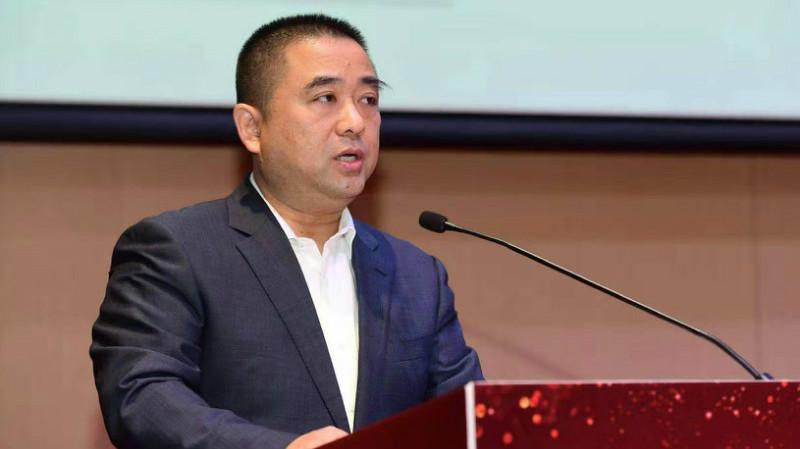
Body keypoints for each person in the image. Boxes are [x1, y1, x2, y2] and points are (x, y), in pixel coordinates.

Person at [90, 14, 482, 449]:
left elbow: (468, 422)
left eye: (369, 99)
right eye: (326, 97)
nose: (355, 121)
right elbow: (141, 397)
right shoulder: (178, 251)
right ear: (252, 128)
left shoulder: (417, 276)